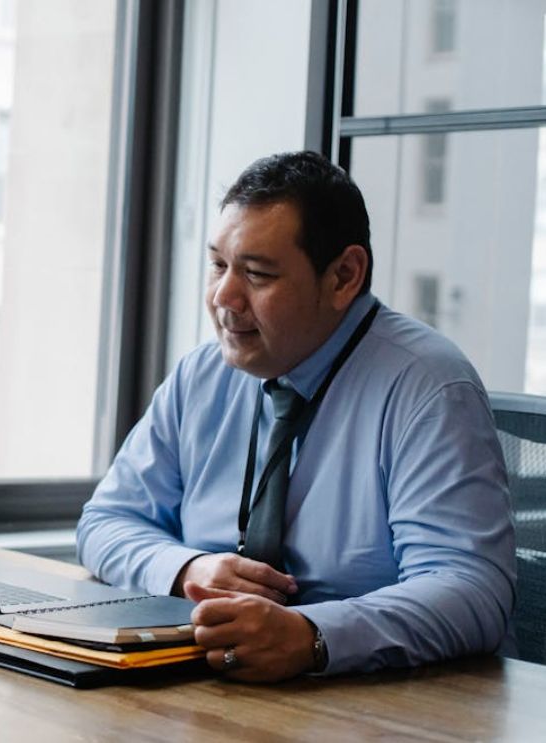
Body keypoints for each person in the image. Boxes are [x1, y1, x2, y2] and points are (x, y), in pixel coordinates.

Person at [76, 150, 515, 682]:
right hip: (209, 686)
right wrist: (188, 569)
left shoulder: (427, 386)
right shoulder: (203, 375)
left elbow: (471, 590)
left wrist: (313, 636)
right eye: (218, 265)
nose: (223, 297)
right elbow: (106, 522)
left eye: (257, 275)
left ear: (343, 277)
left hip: (372, 706)